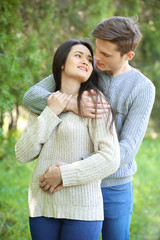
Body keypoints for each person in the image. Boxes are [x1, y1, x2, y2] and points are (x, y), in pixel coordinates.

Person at [22, 16, 155, 240]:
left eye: (106, 54)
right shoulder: (85, 67)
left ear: (128, 56)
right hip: (76, 188)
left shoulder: (142, 88)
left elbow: (127, 148)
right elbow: (31, 97)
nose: (96, 58)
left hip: (113, 188)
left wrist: (73, 170)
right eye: (97, 50)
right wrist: (73, 104)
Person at [15, 39, 120, 240]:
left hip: (82, 209)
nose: (86, 61)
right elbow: (23, 154)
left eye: (89, 59)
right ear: (62, 62)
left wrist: (64, 174)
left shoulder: (94, 102)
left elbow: (110, 158)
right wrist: (51, 112)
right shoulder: (45, 103)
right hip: (43, 207)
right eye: (78, 55)